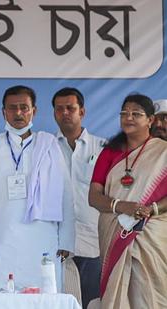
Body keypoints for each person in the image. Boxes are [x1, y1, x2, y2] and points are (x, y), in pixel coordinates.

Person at [0, 85, 75, 293]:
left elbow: (66, 196)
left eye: (24, 108)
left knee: (43, 296)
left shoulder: (50, 145)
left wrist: (67, 241)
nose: (18, 113)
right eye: (12, 108)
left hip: (44, 238)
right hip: (0, 240)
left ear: (33, 111)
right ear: (3, 112)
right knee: (0, 296)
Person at [88, 94, 167, 309]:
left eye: (136, 113)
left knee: (149, 296)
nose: (128, 117)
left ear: (150, 120)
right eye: (124, 113)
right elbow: (93, 197)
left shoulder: (163, 151)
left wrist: (150, 209)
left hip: (152, 234)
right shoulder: (109, 152)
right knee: (117, 293)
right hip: (115, 231)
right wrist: (120, 206)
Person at [52, 87, 106, 309]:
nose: (65, 113)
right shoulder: (44, 149)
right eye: (59, 109)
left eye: (70, 108)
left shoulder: (104, 148)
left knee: (95, 303)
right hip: (56, 246)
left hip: (94, 243)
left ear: (81, 111)